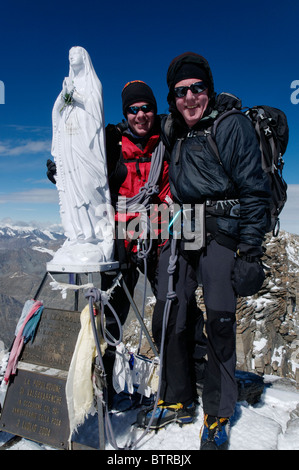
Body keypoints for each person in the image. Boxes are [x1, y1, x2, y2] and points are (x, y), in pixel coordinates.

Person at [138, 52, 271, 449]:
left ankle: (218, 410)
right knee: (169, 312)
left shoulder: (232, 127)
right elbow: (130, 129)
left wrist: (249, 253)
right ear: (172, 97)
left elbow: (254, 190)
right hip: (184, 229)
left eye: (198, 88)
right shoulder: (171, 128)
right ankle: (177, 396)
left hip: (223, 233)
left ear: (209, 91)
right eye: (181, 91)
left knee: (220, 320)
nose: (190, 97)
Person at [49, 46, 114, 267]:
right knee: (72, 190)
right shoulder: (67, 83)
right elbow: (57, 110)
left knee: (87, 186)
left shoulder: (92, 83)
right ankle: (78, 235)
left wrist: (74, 96)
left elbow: (95, 108)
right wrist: (64, 98)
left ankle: (94, 235)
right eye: (68, 55)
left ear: (84, 57)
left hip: (86, 144)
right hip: (69, 142)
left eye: (75, 54)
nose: (71, 57)